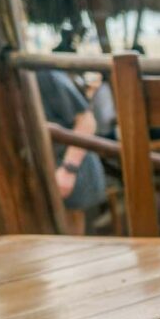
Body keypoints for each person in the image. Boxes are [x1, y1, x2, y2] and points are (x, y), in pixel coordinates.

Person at [36, 70, 106, 234]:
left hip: (70, 169)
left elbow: (86, 121)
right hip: (41, 175)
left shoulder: (42, 75)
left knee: (72, 245)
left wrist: (69, 169)